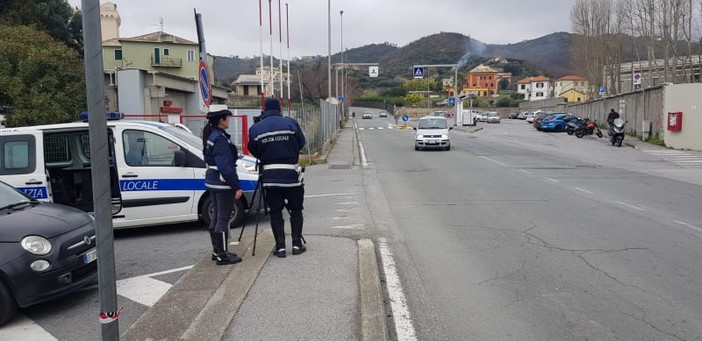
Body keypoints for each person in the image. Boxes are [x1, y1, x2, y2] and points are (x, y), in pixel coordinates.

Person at [248, 98, 307, 258]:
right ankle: (296, 244)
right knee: (296, 210)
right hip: (292, 176)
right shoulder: (291, 123)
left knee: (275, 211)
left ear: (264, 110)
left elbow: (253, 149)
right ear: (280, 109)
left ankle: (280, 247)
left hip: (270, 177)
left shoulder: (256, 128)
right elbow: (301, 142)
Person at [203, 109, 243, 265]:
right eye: (228, 119)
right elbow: (225, 166)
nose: (229, 121)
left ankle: (217, 250)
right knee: (223, 218)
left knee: (217, 216)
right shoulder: (220, 139)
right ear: (221, 120)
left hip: (213, 181)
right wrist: (236, 186)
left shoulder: (211, 135)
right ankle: (222, 254)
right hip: (222, 183)